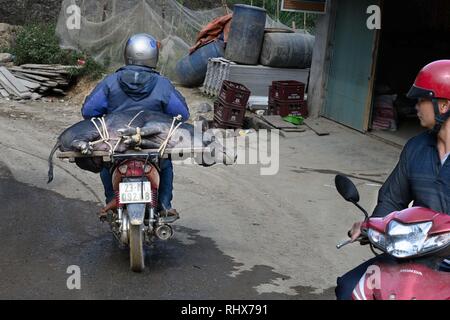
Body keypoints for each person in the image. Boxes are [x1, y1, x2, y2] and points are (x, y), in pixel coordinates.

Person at [335, 60, 450, 300]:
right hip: (413, 254)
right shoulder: (416, 148)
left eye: (422, 99)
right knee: (348, 289)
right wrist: (371, 225)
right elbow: (392, 200)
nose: (415, 106)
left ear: (443, 106)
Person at [81, 33, 190, 221]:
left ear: (127, 54)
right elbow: (182, 114)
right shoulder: (163, 84)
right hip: (152, 143)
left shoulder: (110, 82)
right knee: (166, 164)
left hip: (117, 142)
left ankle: (111, 200)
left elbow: (89, 111)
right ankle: (164, 205)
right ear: (153, 56)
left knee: (106, 164)